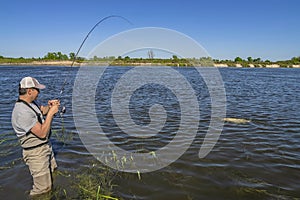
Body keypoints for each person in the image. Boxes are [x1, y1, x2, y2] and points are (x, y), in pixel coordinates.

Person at [11, 76, 60, 197]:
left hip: (45, 148)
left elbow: (41, 111)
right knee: (42, 189)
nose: (39, 92)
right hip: (36, 153)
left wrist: (50, 107)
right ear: (29, 91)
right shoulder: (22, 112)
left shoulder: (30, 103)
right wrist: (52, 114)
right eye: (37, 90)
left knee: (53, 174)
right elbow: (42, 133)